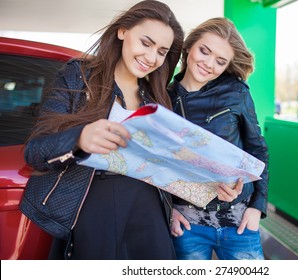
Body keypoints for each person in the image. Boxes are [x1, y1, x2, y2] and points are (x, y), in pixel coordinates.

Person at [24, 0, 184, 260]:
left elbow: (168, 166)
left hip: (150, 210)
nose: (152, 58)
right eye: (146, 43)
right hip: (94, 206)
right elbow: (35, 151)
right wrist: (80, 138)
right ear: (122, 31)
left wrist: (211, 185)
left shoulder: (158, 98)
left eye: (162, 51)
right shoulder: (77, 77)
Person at [167, 17, 269, 260]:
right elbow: (154, 163)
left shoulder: (236, 92)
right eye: (204, 51)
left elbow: (258, 151)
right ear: (189, 46)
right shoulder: (163, 95)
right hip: (187, 224)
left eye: (220, 61)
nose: (209, 64)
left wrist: (257, 207)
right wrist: (168, 210)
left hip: (239, 221)